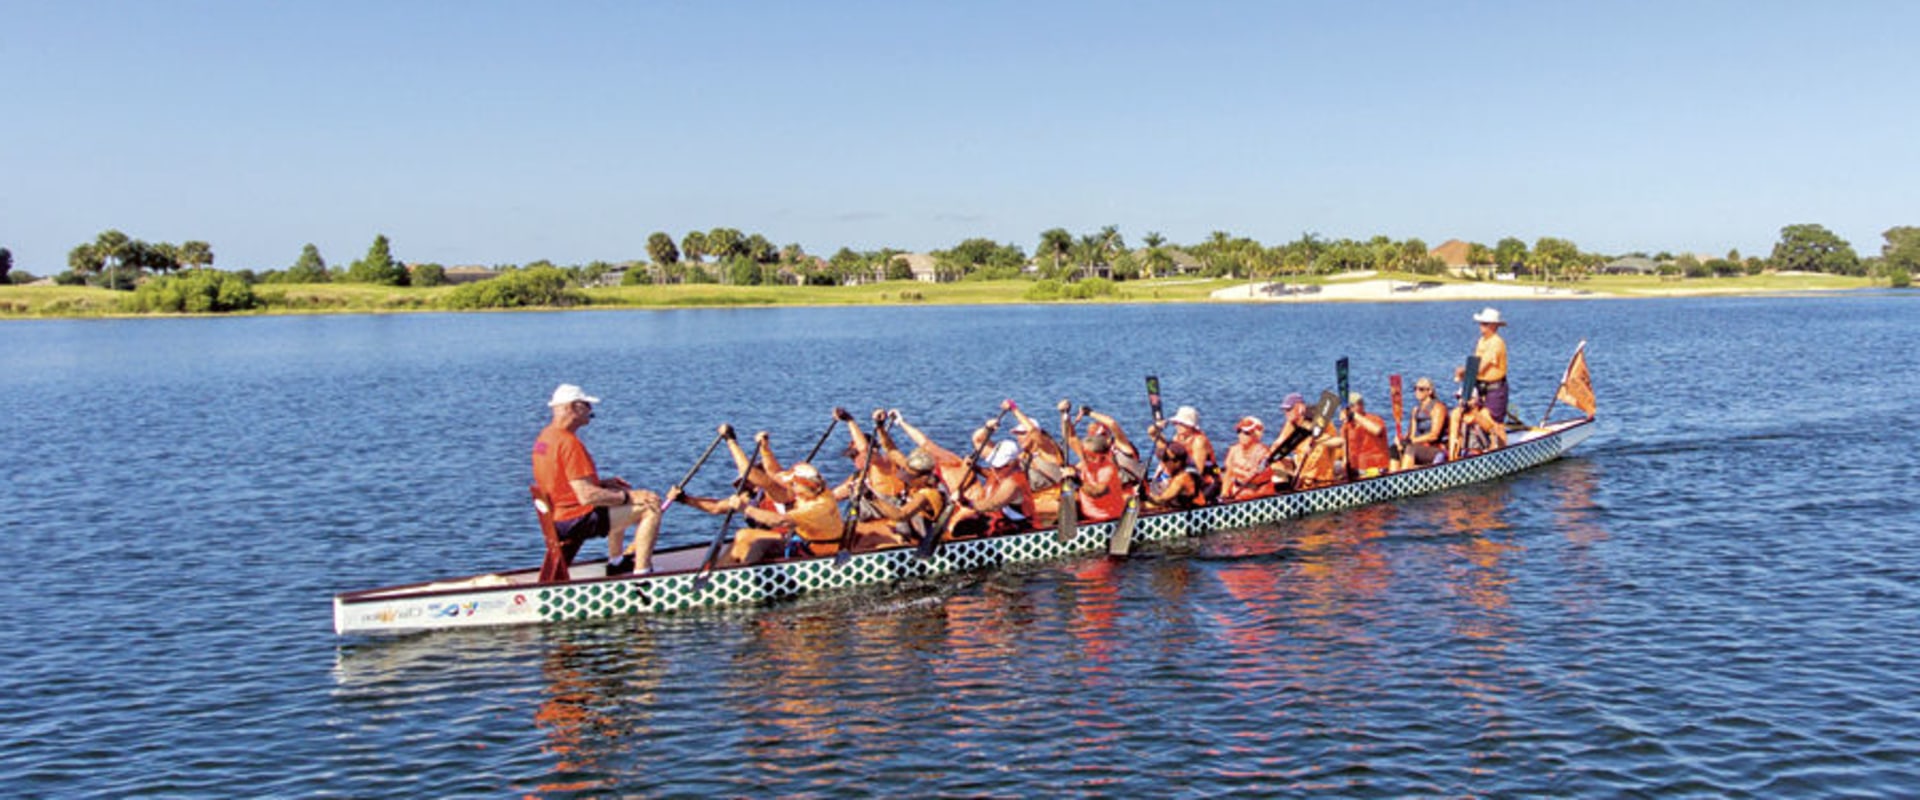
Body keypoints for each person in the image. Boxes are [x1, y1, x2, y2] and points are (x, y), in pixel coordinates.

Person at [531, 384, 663, 576]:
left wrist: (604, 485)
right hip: (573, 518)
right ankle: (642, 574)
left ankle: (616, 562)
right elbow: (587, 496)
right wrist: (628, 498)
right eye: (586, 405)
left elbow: (561, 480)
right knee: (651, 507)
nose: (590, 410)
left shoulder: (545, 438)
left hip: (560, 514)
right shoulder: (569, 443)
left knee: (615, 496)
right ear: (572, 408)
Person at [948, 439, 1038, 538]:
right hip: (1001, 520)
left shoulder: (1014, 483)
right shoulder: (1004, 472)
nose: (995, 469)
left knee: (966, 528)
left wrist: (966, 502)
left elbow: (993, 504)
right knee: (961, 526)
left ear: (1013, 463)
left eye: (1000, 466)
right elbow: (992, 475)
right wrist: (975, 467)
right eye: (994, 465)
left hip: (1020, 529)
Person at [1060, 399, 1130, 522]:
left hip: (1107, 518)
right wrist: (1064, 414)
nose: (1085, 458)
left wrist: (1077, 479)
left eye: (1090, 456)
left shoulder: (1108, 469)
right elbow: (1070, 436)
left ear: (1101, 455)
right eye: (1085, 455)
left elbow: (1097, 492)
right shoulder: (1087, 458)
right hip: (1087, 513)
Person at [1466, 307, 1511, 425]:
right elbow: (1475, 363)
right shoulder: (1482, 340)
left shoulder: (1496, 343)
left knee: (1492, 421)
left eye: (1485, 324)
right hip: (1480, 387)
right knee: (1465, 416)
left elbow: (1480, 367)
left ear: (1493, 326)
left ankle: (1500, 442)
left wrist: (1464, 372)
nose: (1481, 326)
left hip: (1495, 389)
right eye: (1481, 323)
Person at [1218, 416, 1275, 501]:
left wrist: (1235, 472)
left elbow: (1255, 479)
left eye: (1246, 432)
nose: (1241, 435)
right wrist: (1224, 494)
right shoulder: (1233, 449)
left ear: (1256, 435)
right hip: (1237, 490)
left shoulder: (1263, 452)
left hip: (1258, 493)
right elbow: (1228, 473)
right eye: (1239, 431)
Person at [1399, 376, 1450, 469]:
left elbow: (1434, 435)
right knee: (1395, 448)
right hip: (1420, 447)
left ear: (1429, 391)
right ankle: (1391, 474)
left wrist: (1412, 441)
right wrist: (1402, 441)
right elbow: (1412, 435)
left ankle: (1403, 475)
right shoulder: (1415, 410)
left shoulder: (1438, 408)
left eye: (1421, 389)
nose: (1417, 391)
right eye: (1415, 388)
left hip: (1437, 449)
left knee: (1410, 449)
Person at [1340, 393, 1393, 478]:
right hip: (1356, 469)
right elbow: (1345, 454)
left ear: (1362, 405)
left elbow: (1377, 430)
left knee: (1363, 474)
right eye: (1349, 407)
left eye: (1353, 406)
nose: (1351, 409)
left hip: (1377, 468)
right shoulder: (1346, 426)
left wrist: (1354, 416)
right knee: (1336, 466)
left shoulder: (1374, 419)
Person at [1144, 441, 1205, 510]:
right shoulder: (1176, 472)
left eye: (1166, 459)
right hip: (1174, 506)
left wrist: (1145, 496)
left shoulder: (1182, 478)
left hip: (1192, 510)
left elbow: (1162, 499)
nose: (1163, 463)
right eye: (1162, 459)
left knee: (1145, 504)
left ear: (1178, 462)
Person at [1449, 392, 1508, 460]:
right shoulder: (1456, 413)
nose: (1461, 401)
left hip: (1483, 450)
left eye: (1467, 398)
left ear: (1476, 400)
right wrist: (1451, 457)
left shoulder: (1484, 412)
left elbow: (1493, 432)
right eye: (1459, 398)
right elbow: (1453, 436)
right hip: (1464, 450)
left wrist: (1477, 418)